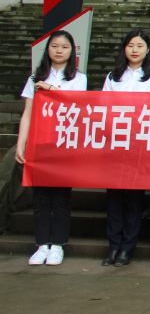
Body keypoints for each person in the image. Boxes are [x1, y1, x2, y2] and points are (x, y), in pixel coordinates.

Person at [16, 31, 87, 266]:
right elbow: (28, 113)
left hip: (65, 144)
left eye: (64, 47)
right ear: (47, 49)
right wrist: (21, 143)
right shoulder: (34, 78)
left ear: (72, 51)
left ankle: (58, 245)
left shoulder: (79, 78)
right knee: (41, 198)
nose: (59, 50)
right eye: (55, 46)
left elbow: (76, 103)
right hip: (41, 143)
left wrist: (50, 89)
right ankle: (41, 245)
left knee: (61, 198)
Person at [101, 30, 150, 267]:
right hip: (114, 143)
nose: (135, 50)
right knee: (114, 198)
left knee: (134, 198)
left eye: (140, 46)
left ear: (147, 50)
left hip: (139, 144)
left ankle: (127, 248)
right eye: (131, 45)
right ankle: (113, 246)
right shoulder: (113, 77)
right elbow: (103, 107)